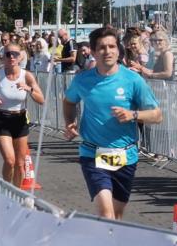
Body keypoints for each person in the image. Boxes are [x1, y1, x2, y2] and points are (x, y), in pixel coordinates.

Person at [63, 27, 162, 220]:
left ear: (118, 50)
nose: (107, 51)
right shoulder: (83, 80)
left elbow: (157, 115)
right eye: (101, 48)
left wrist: (133, 115)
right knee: (106, 214)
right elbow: (69, 101)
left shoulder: (133, 80)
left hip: (126, 155)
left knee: (117, 216)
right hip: (93, 153)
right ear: (92, 52)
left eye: (111, 46)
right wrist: (70, 122)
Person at [0, 43, 45, 187]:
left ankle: (17, 194)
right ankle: (6, 189)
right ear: (3, 56)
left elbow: (42, 100)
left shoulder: (26, 75)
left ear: (20, 57)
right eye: (8, 54)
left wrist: (28, 88)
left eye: (15, 54)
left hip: (20, 119)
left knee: (20, 162)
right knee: (10, 160)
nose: (11, 57)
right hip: (3, 119)